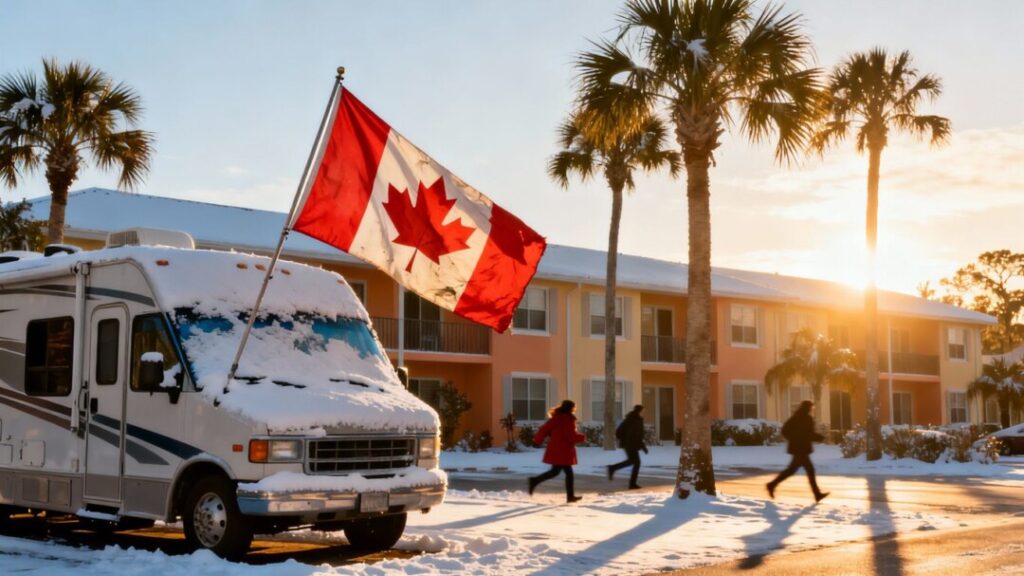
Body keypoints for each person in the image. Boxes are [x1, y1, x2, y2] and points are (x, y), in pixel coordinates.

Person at [767, 400, 829, 503]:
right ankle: (817, 494)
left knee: (792, 470)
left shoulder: (795, 417)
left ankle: (772, 485)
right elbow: (808, 434)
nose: (812, 409)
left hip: (798, 449)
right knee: (809, 470)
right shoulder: (806, 419)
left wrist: (793, 439)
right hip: (801, 450)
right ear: (808, 408)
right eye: (811, 408)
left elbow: (785, 430)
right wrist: (820, 438)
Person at [528, 400, 586, 503]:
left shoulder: (556, 417)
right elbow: (570, 435)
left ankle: (535, 481)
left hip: (556, 448)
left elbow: (544, 429)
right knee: (568, 473)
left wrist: (537, 441)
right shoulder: (568, 419)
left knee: (555, 472)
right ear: (571, 408)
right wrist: (582, 437)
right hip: (563, 449)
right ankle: (570, 497)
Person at [607, 405, 648, 489]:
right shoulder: (636, 420)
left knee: (632, 461)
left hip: (629, 445)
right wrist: (640, 445)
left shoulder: (630, 419)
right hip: (631, 445)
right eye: (643, 411)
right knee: (636, 463)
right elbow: (637, 435)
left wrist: (624, 441)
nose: (643, 413)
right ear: (640, 411)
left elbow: (619, 432)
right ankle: (632, 484)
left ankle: (613, 468)